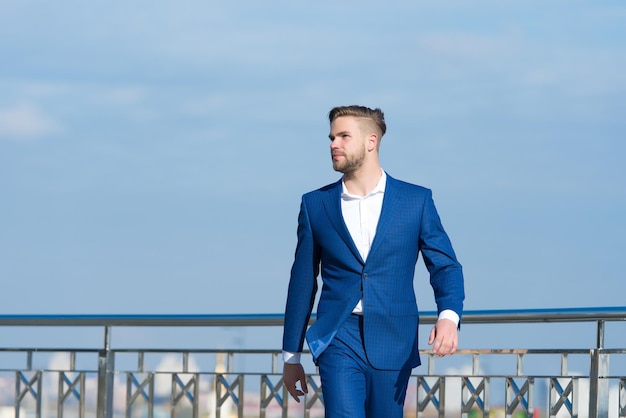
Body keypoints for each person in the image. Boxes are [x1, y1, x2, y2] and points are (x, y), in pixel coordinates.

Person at [282, 105, 465, 418]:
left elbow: (445, 265)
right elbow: (302, 281)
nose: (333, 144)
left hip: (394, 336)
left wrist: (449, 315)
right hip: (337, 335)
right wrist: (291, 355)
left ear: (371, 141)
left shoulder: (415, 201)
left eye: (343, 136)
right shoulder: (315, 205)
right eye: (331, 137)